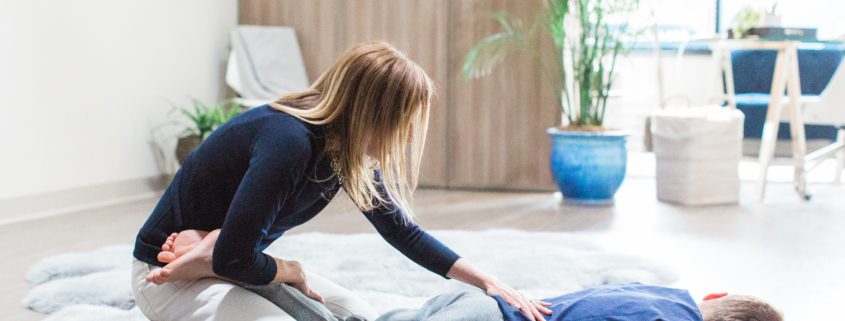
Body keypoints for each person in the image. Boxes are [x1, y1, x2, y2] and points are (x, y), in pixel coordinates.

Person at [131, 41, 552, 321]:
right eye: (402, 122)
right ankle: (209, 249)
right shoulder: (289, 141)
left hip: (227, 262)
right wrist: (290, 269)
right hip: (164, 276)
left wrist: (488, 282)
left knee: (358, 313)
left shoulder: (343, 149)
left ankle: (210, 244)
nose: (406, 136)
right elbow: (233, 260)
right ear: (370, 115)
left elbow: (401, 230)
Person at [147, 229, 784, 321]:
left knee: (373, 316)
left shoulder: (669, 296)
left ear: (716, 296)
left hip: (485, 309)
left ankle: (245, 263)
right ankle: (242, 265)